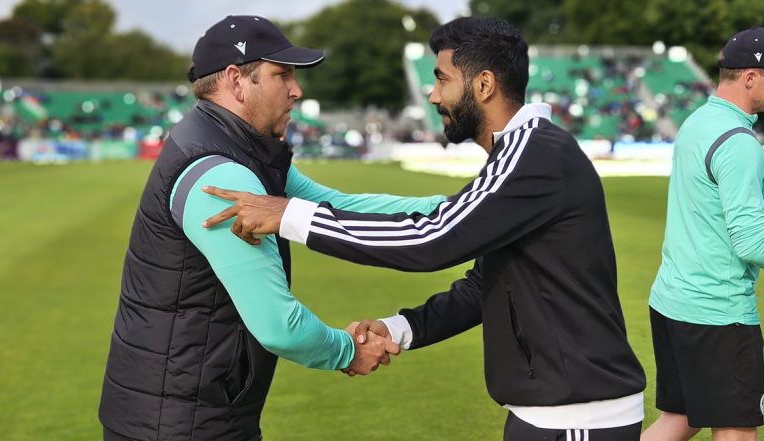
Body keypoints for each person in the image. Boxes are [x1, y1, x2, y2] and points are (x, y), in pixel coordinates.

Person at [203, 17, 646, 440]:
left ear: (484, 85)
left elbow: (430, 239)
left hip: (577, 415)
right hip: (554, 410)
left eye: (442, 79)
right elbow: (483, 286)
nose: (433, 96)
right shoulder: (521, 154)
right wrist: (399, 329)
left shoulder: (533, 156)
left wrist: (289, 216)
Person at [98, 15, 443, 441]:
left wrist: (454, 207)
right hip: (182, 423)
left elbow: (340, 207)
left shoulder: (235, 150)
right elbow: (279, 324)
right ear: (235, 81)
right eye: (281, 75)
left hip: (184, 412)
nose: (297, 90)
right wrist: (347, 350)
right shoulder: (224, 175)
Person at [641, 27, 764, 441]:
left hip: (672, 301)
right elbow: (750, 240)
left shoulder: (698, 120)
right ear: (751, 77)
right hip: (718, 311)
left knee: (680, 419)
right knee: (737, 430)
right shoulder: (740, 140)